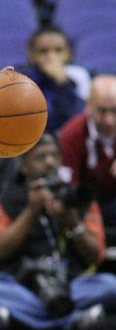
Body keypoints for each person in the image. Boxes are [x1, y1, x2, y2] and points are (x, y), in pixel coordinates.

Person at [0, 134, 116, 330]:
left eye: (54, 156)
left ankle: (19, 317)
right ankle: (73, 319)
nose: (50, 162)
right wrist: (31, 211)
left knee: (110, 285)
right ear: (23, 165)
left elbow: (96, 255)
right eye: (41, 157)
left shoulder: (76, 198)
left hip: (71, 283)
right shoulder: (3, 201)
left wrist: (71, 220)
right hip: (24, 283)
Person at [58, 75, 116, 230]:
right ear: (88, 106)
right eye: (102, 111)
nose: (109, 120)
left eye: (115, 111)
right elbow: (66, 188)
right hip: (84, 206)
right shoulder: (71, 135)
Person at [20, 26, 85, 133]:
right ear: (31, 54)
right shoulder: (22, 80)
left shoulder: (75, 78)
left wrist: (62, 82)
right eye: (43, 51)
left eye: (58, 50)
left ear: (68, 53)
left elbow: (77, 120)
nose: (51, 56)